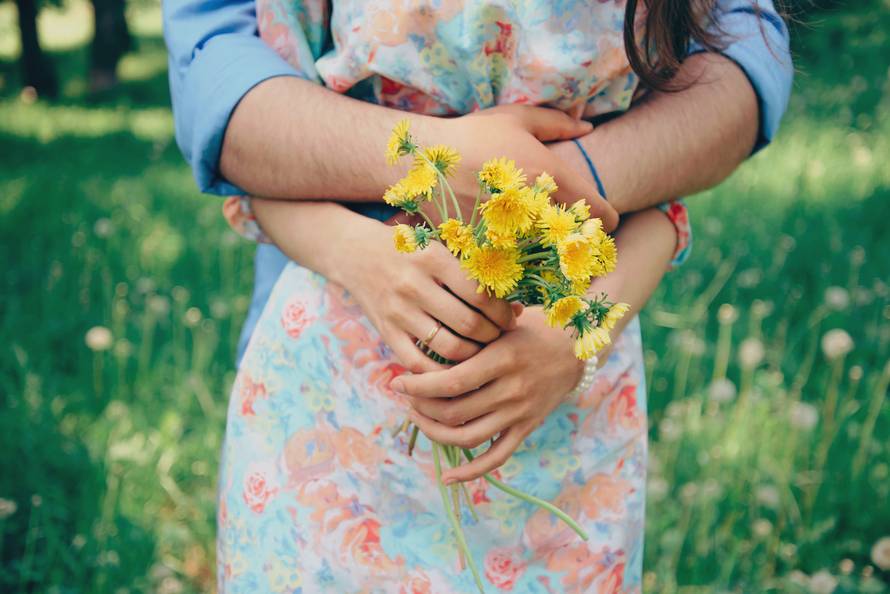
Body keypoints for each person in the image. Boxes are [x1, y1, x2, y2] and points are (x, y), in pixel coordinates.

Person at [163, 1, 792, 591]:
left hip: (565, 411)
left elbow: (731, 66)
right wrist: (419, 181)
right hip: (334, 404)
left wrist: (577, 304)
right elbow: (236, 107)